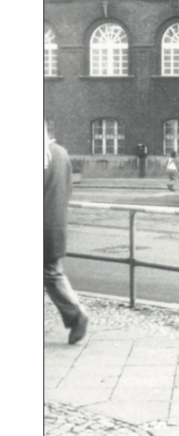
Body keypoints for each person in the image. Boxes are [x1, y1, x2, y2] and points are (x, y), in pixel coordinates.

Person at [44, 122, 89, 344]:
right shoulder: (60, 153)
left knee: (51, 274)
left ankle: (76, 314)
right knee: (52, 272)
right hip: (55, 224)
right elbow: (68, 189)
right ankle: (75, 314)